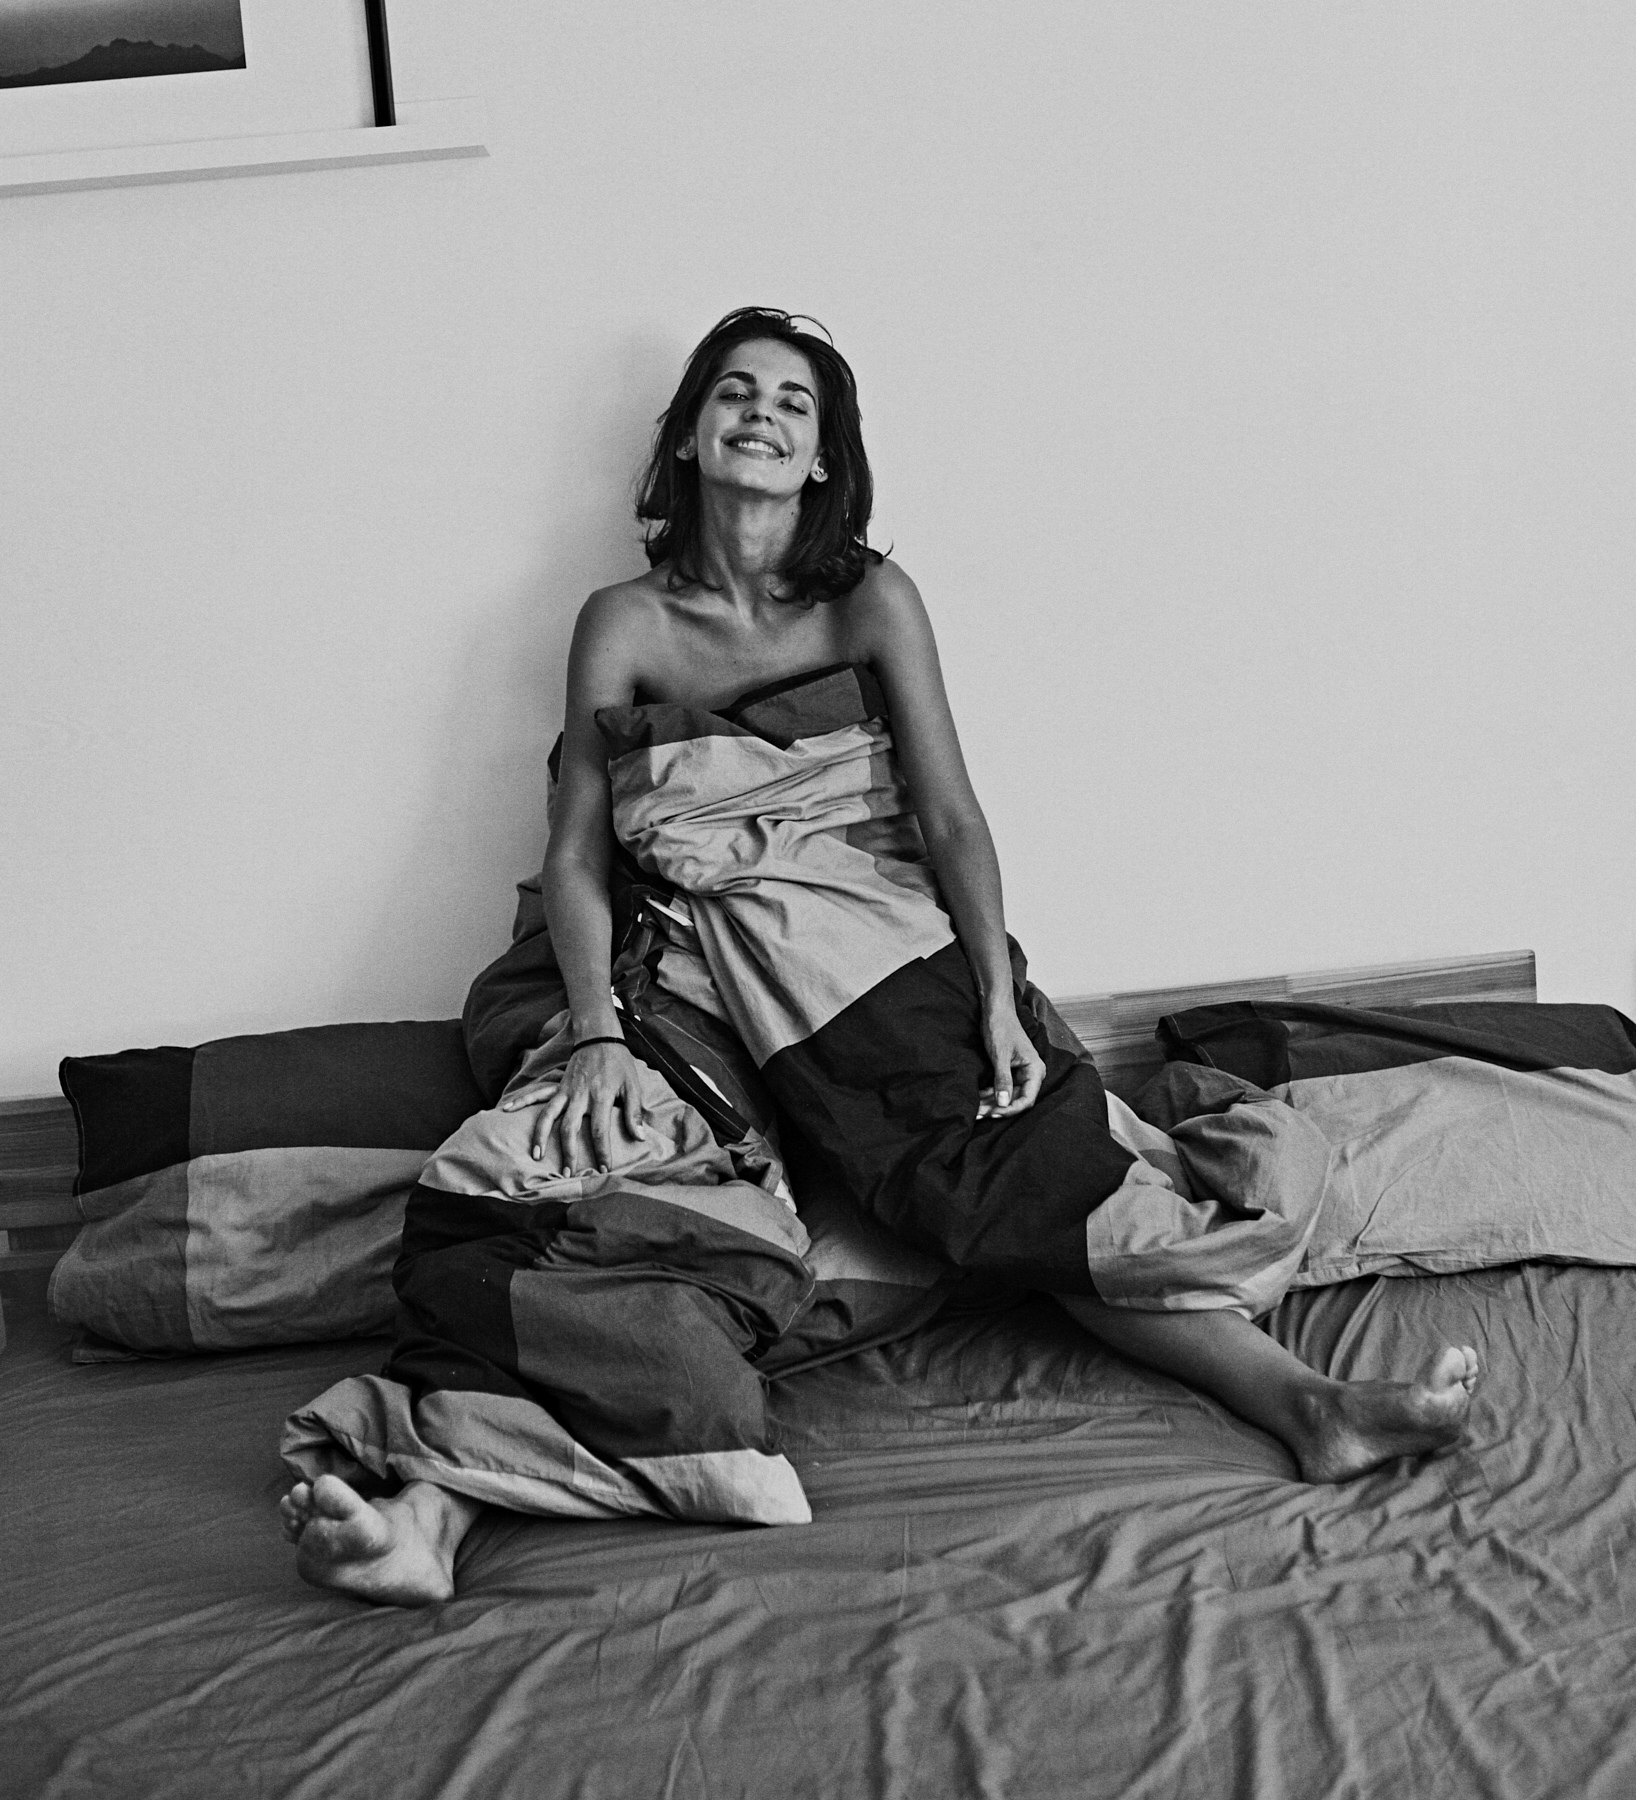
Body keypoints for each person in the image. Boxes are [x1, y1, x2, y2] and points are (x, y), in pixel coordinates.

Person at [282, 308, 1478, 1604]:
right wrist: (596, 1034)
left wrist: (998, 1001)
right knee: (555, 1187)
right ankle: (425, 1518)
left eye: (792, 404)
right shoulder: (619, 621)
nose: (761, 413)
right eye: (734, 392)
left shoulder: (871, 601)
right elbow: (575, 855)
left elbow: (950, 818)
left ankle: (1312, 1408)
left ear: (822, 459)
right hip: (673, 966)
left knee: (1019, 1180)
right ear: (686, 438)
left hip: (860, 960)